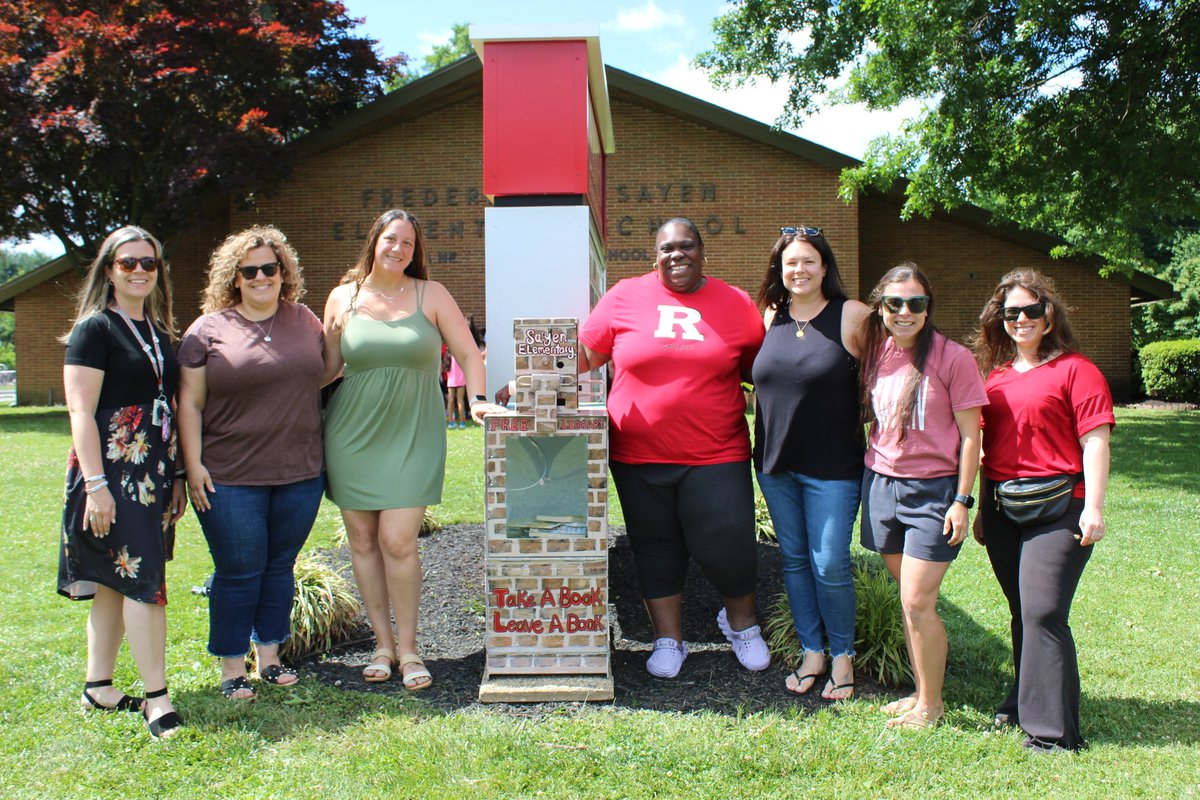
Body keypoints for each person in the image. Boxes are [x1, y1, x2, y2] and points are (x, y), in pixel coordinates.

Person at [321, 209, 505, 689]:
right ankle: (383, 645)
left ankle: (409, 649)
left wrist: (480, 400)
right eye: (390, 239)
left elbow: (468, 353)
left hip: (414, 434)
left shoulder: (432, 294)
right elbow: (325, 367)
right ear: (373, 242)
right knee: (362, 541)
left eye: (407, 242)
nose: (398, 248)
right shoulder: (344, 297)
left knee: (398, 540)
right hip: (351, 432)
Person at [578, 217, 768, 679]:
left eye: (685, 247)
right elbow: (582, 355)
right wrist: (528, 379)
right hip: (638, 456)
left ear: (703, 252)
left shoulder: (735, 303)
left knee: (728, 544)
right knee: (654, 547)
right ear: (655, 255)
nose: (675, 255)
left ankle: (741, 625)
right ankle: (669, 640)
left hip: (715, 453)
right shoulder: (624, 296)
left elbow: (760, 371)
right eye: (666, 249)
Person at [177, 226, 326, 701]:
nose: (261, 277)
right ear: (234, 278)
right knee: (239, 569)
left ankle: (270, 657)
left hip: (300, 473)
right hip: (229, 476)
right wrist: (192, 464)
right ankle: (230, 666)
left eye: (270, 268)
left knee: (280, 566)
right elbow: (190, 404)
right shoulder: (208, 330)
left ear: (285, 273)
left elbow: (329, 372)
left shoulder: (306, 321)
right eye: (250, 270)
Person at [972, 268, 1114, 753]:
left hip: (1061, 507)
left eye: (1031, 310)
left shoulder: (1077, 370)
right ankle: (1021, 703)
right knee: (1022, 612)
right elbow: (991, 448)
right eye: (1011, 312)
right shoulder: (995, 378)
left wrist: (1093, 507)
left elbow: (1095, 440)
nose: (1021, 320)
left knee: (1043, 611)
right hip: (1002, 508)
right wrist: (979, 510)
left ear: (1049, 315)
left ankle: (1053, 734)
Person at [59, 225, 187, 739]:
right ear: (109, 268)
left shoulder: (159, 332)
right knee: (142, 583)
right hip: (110, 473)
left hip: (153, 472)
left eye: (148, 263)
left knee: (119, 579)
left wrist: (176, 473)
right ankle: (157, 699)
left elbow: (169, 409)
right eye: (128, 262)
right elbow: (80, 411)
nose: (139, 271)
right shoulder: (95, 328)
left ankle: (99, 687)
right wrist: (96, 486)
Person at [857, 264, 987, 728]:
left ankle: (931, 707)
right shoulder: (876, 352)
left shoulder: (954, 358)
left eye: (915, 303)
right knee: (909, 600)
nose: (905, 312)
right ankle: (921, 692)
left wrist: (962, 501)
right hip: (881, 484)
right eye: (894, 303)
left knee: (917, 601)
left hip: (933, 491)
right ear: (881, 307)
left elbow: (972, 437)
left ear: (929, 308)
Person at [751, 226, 870, 700]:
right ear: (780, 270)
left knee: (830, 563)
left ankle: (842, 656)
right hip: (776, 465)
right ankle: (811, 651)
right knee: (796, 561)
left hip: (834, 468)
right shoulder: (770, 317)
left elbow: (884, 380)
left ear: (825, 267)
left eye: (808, 262)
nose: (798, 270)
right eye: (790, 263)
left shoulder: (852, 315)